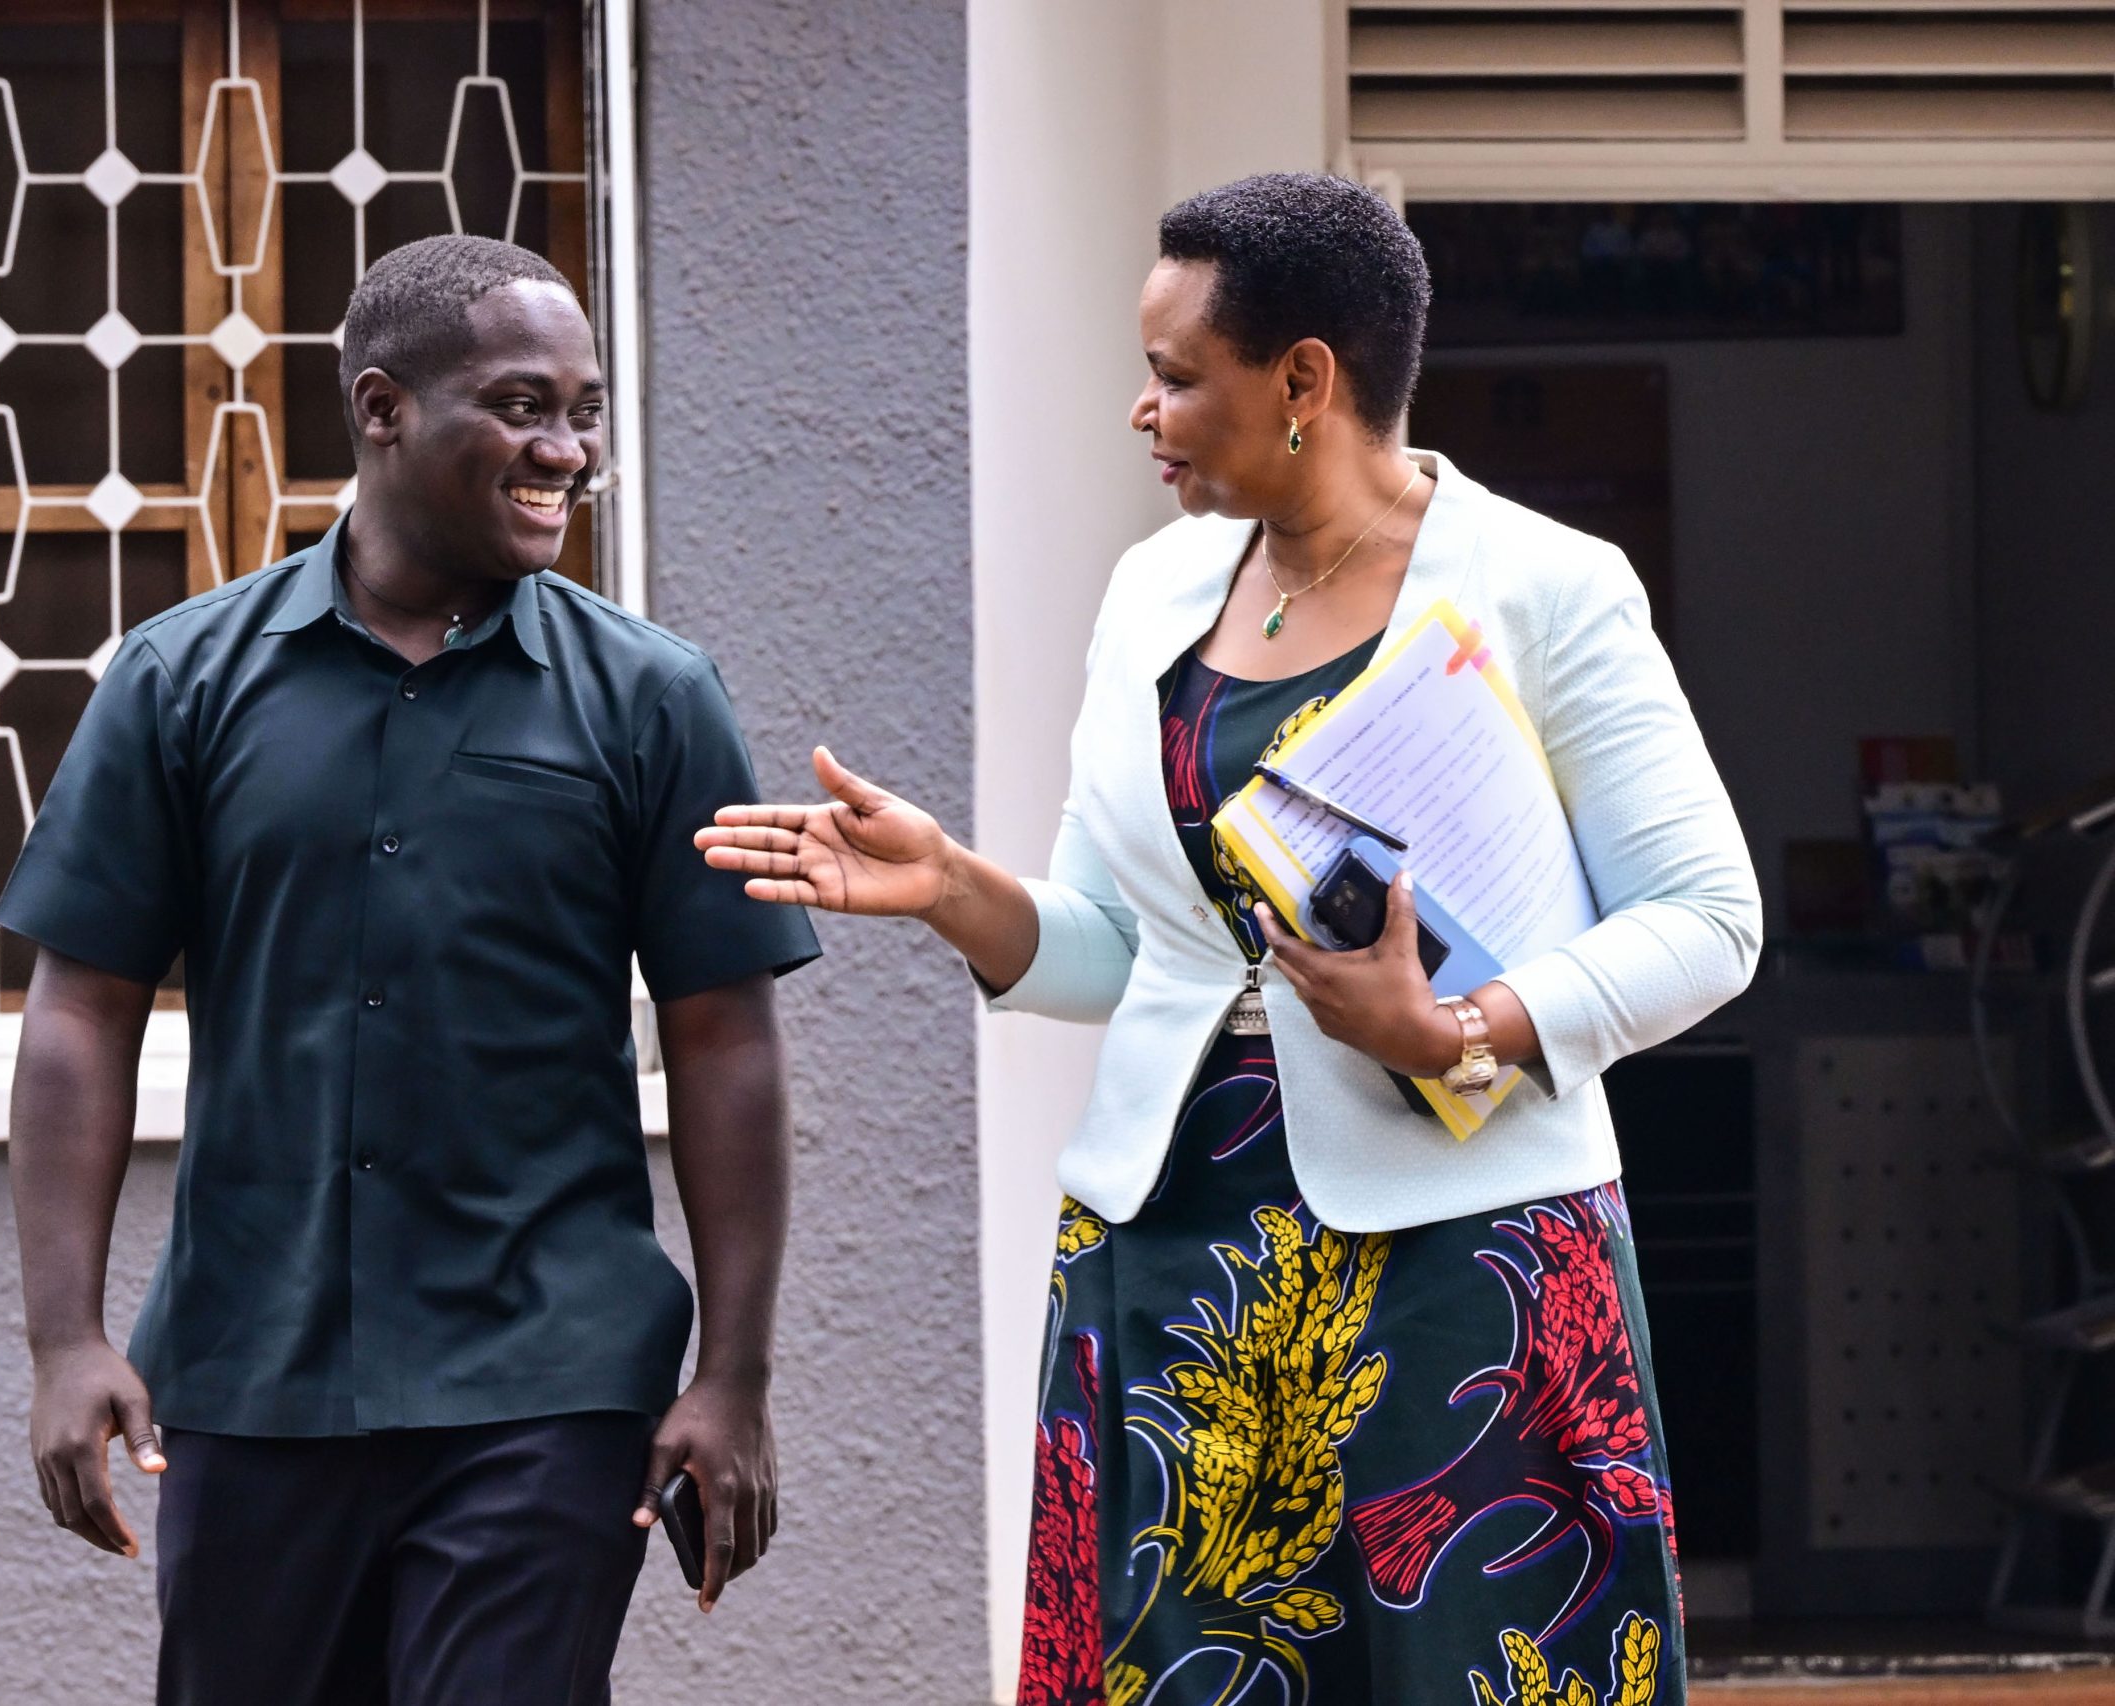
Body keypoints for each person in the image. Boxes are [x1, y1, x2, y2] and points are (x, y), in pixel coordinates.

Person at [699, 175, 1759, 1704]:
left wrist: (1456, 1028)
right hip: (1173, 1251)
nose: (1145, 410)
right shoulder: (1152, 596)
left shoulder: (1548, 588)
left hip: (1461, 1268)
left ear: (1305, 382)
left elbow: (1711, 920)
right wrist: (950, 890)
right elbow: (1124, 952)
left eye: (1178, 375)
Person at [0, 235, 818, 1706]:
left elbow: (723, 1041)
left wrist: (734, 1374)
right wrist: (63, 1333)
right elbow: (82, 1012)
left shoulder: (652, 699)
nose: (564, 448)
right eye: (521, 406)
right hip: (255, 1378)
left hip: (547, 1382)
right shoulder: (182, 683)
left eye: (583, 410)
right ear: (382, 410)